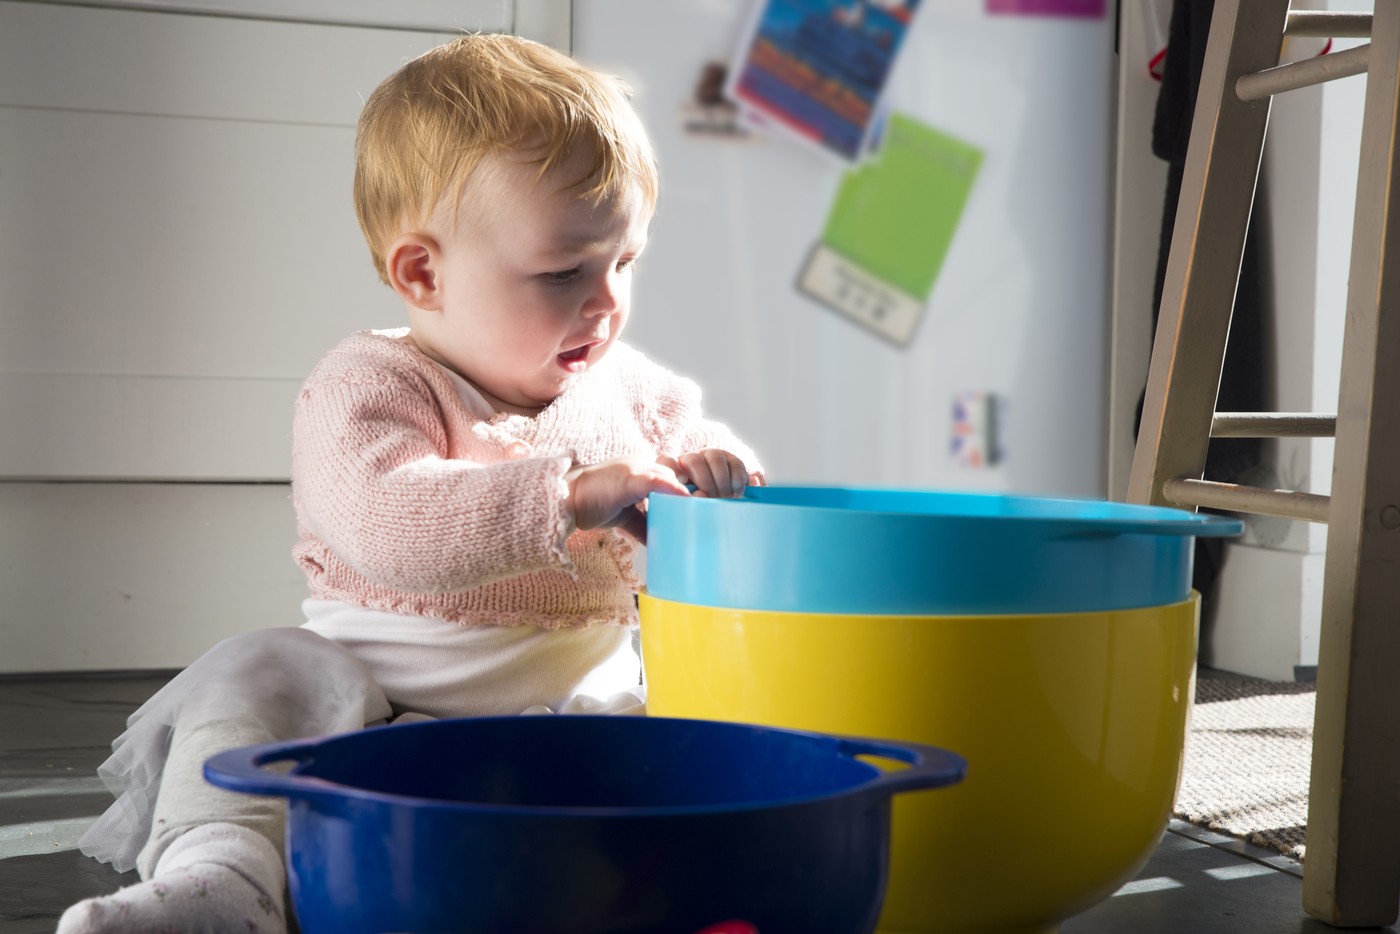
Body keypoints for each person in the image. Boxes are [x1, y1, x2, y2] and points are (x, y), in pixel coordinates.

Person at [59, 32, 762, 934]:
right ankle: (225, 878)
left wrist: (716, 472)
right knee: (252, 677)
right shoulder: (369, 384)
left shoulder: (630, 387)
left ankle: (598, 878)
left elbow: (699, 447)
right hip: (368, 705)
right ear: (422, 273)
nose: (606, 302)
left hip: (570, 709)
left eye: (623, 262)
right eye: (564, 272)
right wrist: (568, 496)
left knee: (678, 723)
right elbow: (389, 520)